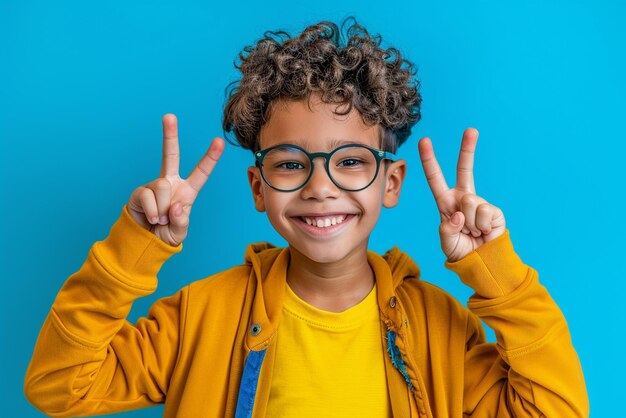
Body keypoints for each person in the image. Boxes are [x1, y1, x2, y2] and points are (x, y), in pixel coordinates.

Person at [24, 17, 589, 417]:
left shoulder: (438, 327)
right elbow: (59, 386)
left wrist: (496, 271)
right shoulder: (203, 315)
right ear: (258, 187)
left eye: (349, 161)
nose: (321, 188)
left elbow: (557, 410)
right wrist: (132, 247)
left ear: (391, 184)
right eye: (291, 164)